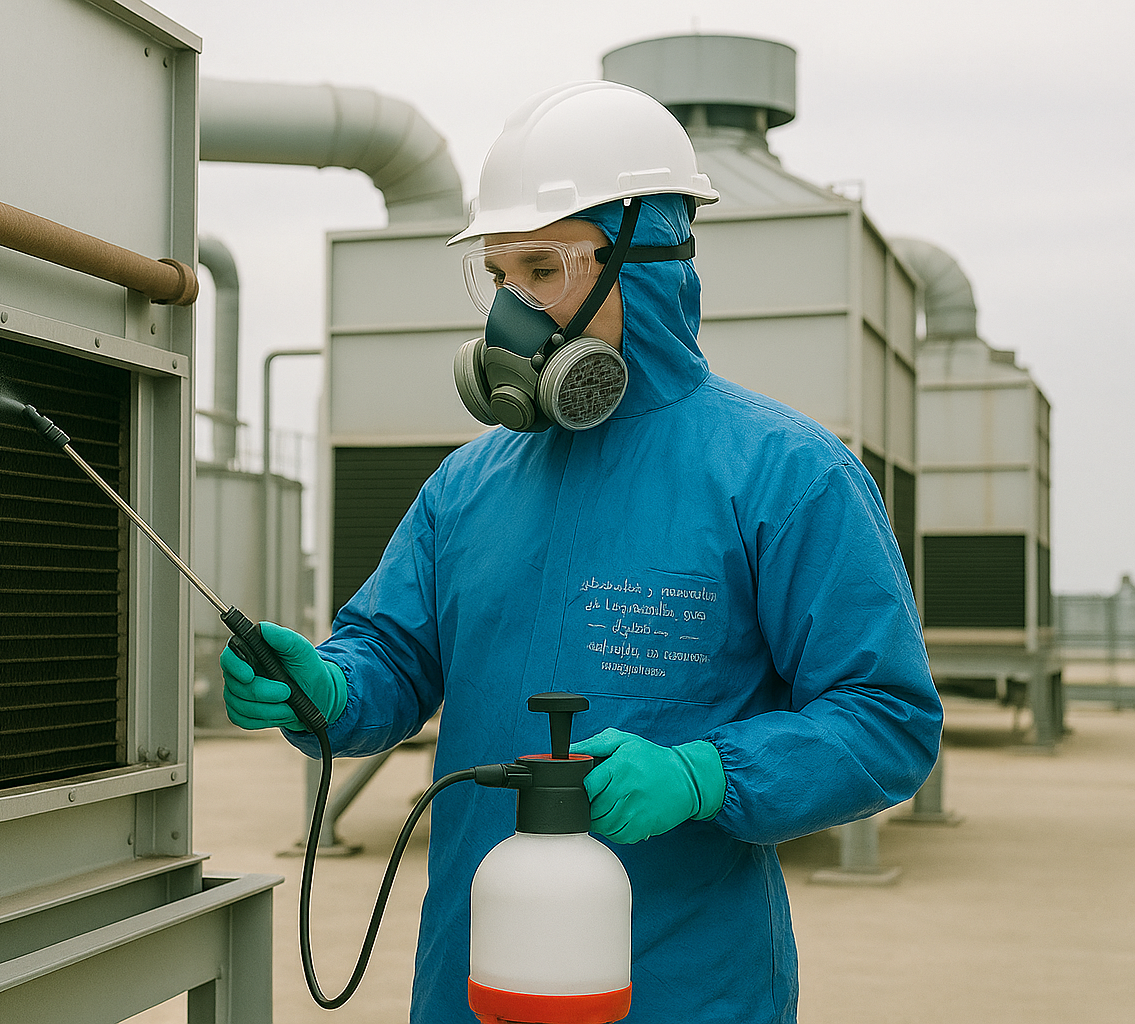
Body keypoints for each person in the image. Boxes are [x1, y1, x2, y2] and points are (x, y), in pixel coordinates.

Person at [221, 81, 942, 1024]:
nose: (513, 315)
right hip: (474, 983)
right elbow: (392, 657)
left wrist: (708, 774)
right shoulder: (468, 485)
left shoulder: (785, 474)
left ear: (647, 259)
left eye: (544, 267)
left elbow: (887, 718)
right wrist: (328, 688)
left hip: (681, 989)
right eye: (500, 274)